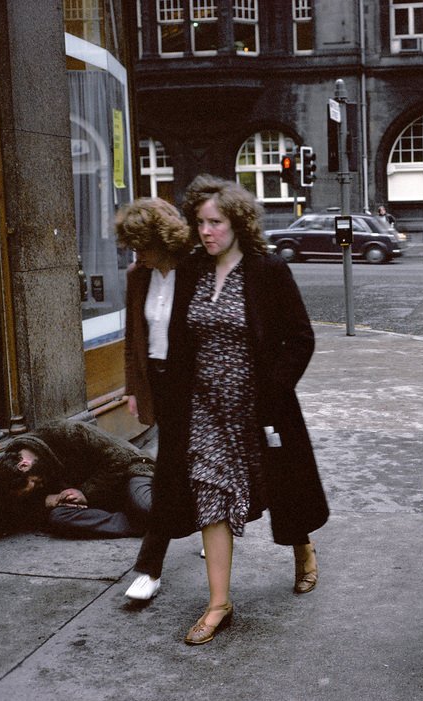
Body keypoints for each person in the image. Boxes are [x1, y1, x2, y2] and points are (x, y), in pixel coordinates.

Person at [154, 174, 328, 645]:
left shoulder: (267, 270)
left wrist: (272, 390)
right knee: (210, 493)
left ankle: (303, 548)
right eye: (200, 222)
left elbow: (301, 339)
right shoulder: (192, 270)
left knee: (282, 488)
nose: (206, 231)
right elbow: (177, 341)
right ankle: (218, 603)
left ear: (238, 224)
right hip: (204, 409)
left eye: (216, 222)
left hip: (260, 409)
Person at [114, 197, 196, 601]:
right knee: (175, 465)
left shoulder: (196, 270)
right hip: (161, 384)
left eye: (140, 244)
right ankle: (210, 525)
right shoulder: (137, 275)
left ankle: (149, 567)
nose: (136, 253)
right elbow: (134, 339)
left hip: (196, 385)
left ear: (161, 239)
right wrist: (133, 388)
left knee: (171, 470)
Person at [0, 420, 156, 538]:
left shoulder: (67, 432)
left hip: (131, 472)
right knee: (59, 517)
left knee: (145, 506)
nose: (40, 486)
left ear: (24, 465)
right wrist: (47, 500)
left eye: (36, 483)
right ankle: (136, 525)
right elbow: (20, 509)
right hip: (103, 499)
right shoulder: (24, 470)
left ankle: (153, 515)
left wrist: (85, 493)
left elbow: (120, 458)